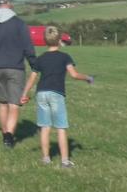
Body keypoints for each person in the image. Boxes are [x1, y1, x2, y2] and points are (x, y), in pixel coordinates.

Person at [20, 26, 94, 168]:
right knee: (61, 127)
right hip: (56, 94)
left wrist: (24, 94)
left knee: (45, 127)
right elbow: (74, 74)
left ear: (44, 41)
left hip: (41, 94)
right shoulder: (65, 57)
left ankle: (46, 158)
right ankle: (65, 161)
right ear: (60, 40)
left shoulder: (40, 59)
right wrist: (87, 78)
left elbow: (32, 78)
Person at [0, 0, 36, 149]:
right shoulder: (19, 23)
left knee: (2, 103)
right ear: (9, 3)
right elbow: (28, 47)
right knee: (14, 104)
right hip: (15, 68)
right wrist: (34, 64)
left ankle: (5, 134)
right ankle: (10, 136)